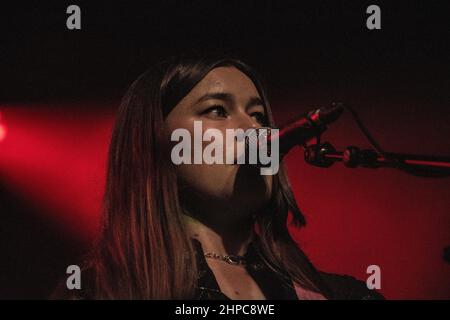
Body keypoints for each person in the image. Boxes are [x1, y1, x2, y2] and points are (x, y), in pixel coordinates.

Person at [53, 51, 383, 300]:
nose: (253, 129)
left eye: (258, 115)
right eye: (217, 110)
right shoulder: (97, 293)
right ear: (155, 141)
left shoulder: (350, 296)